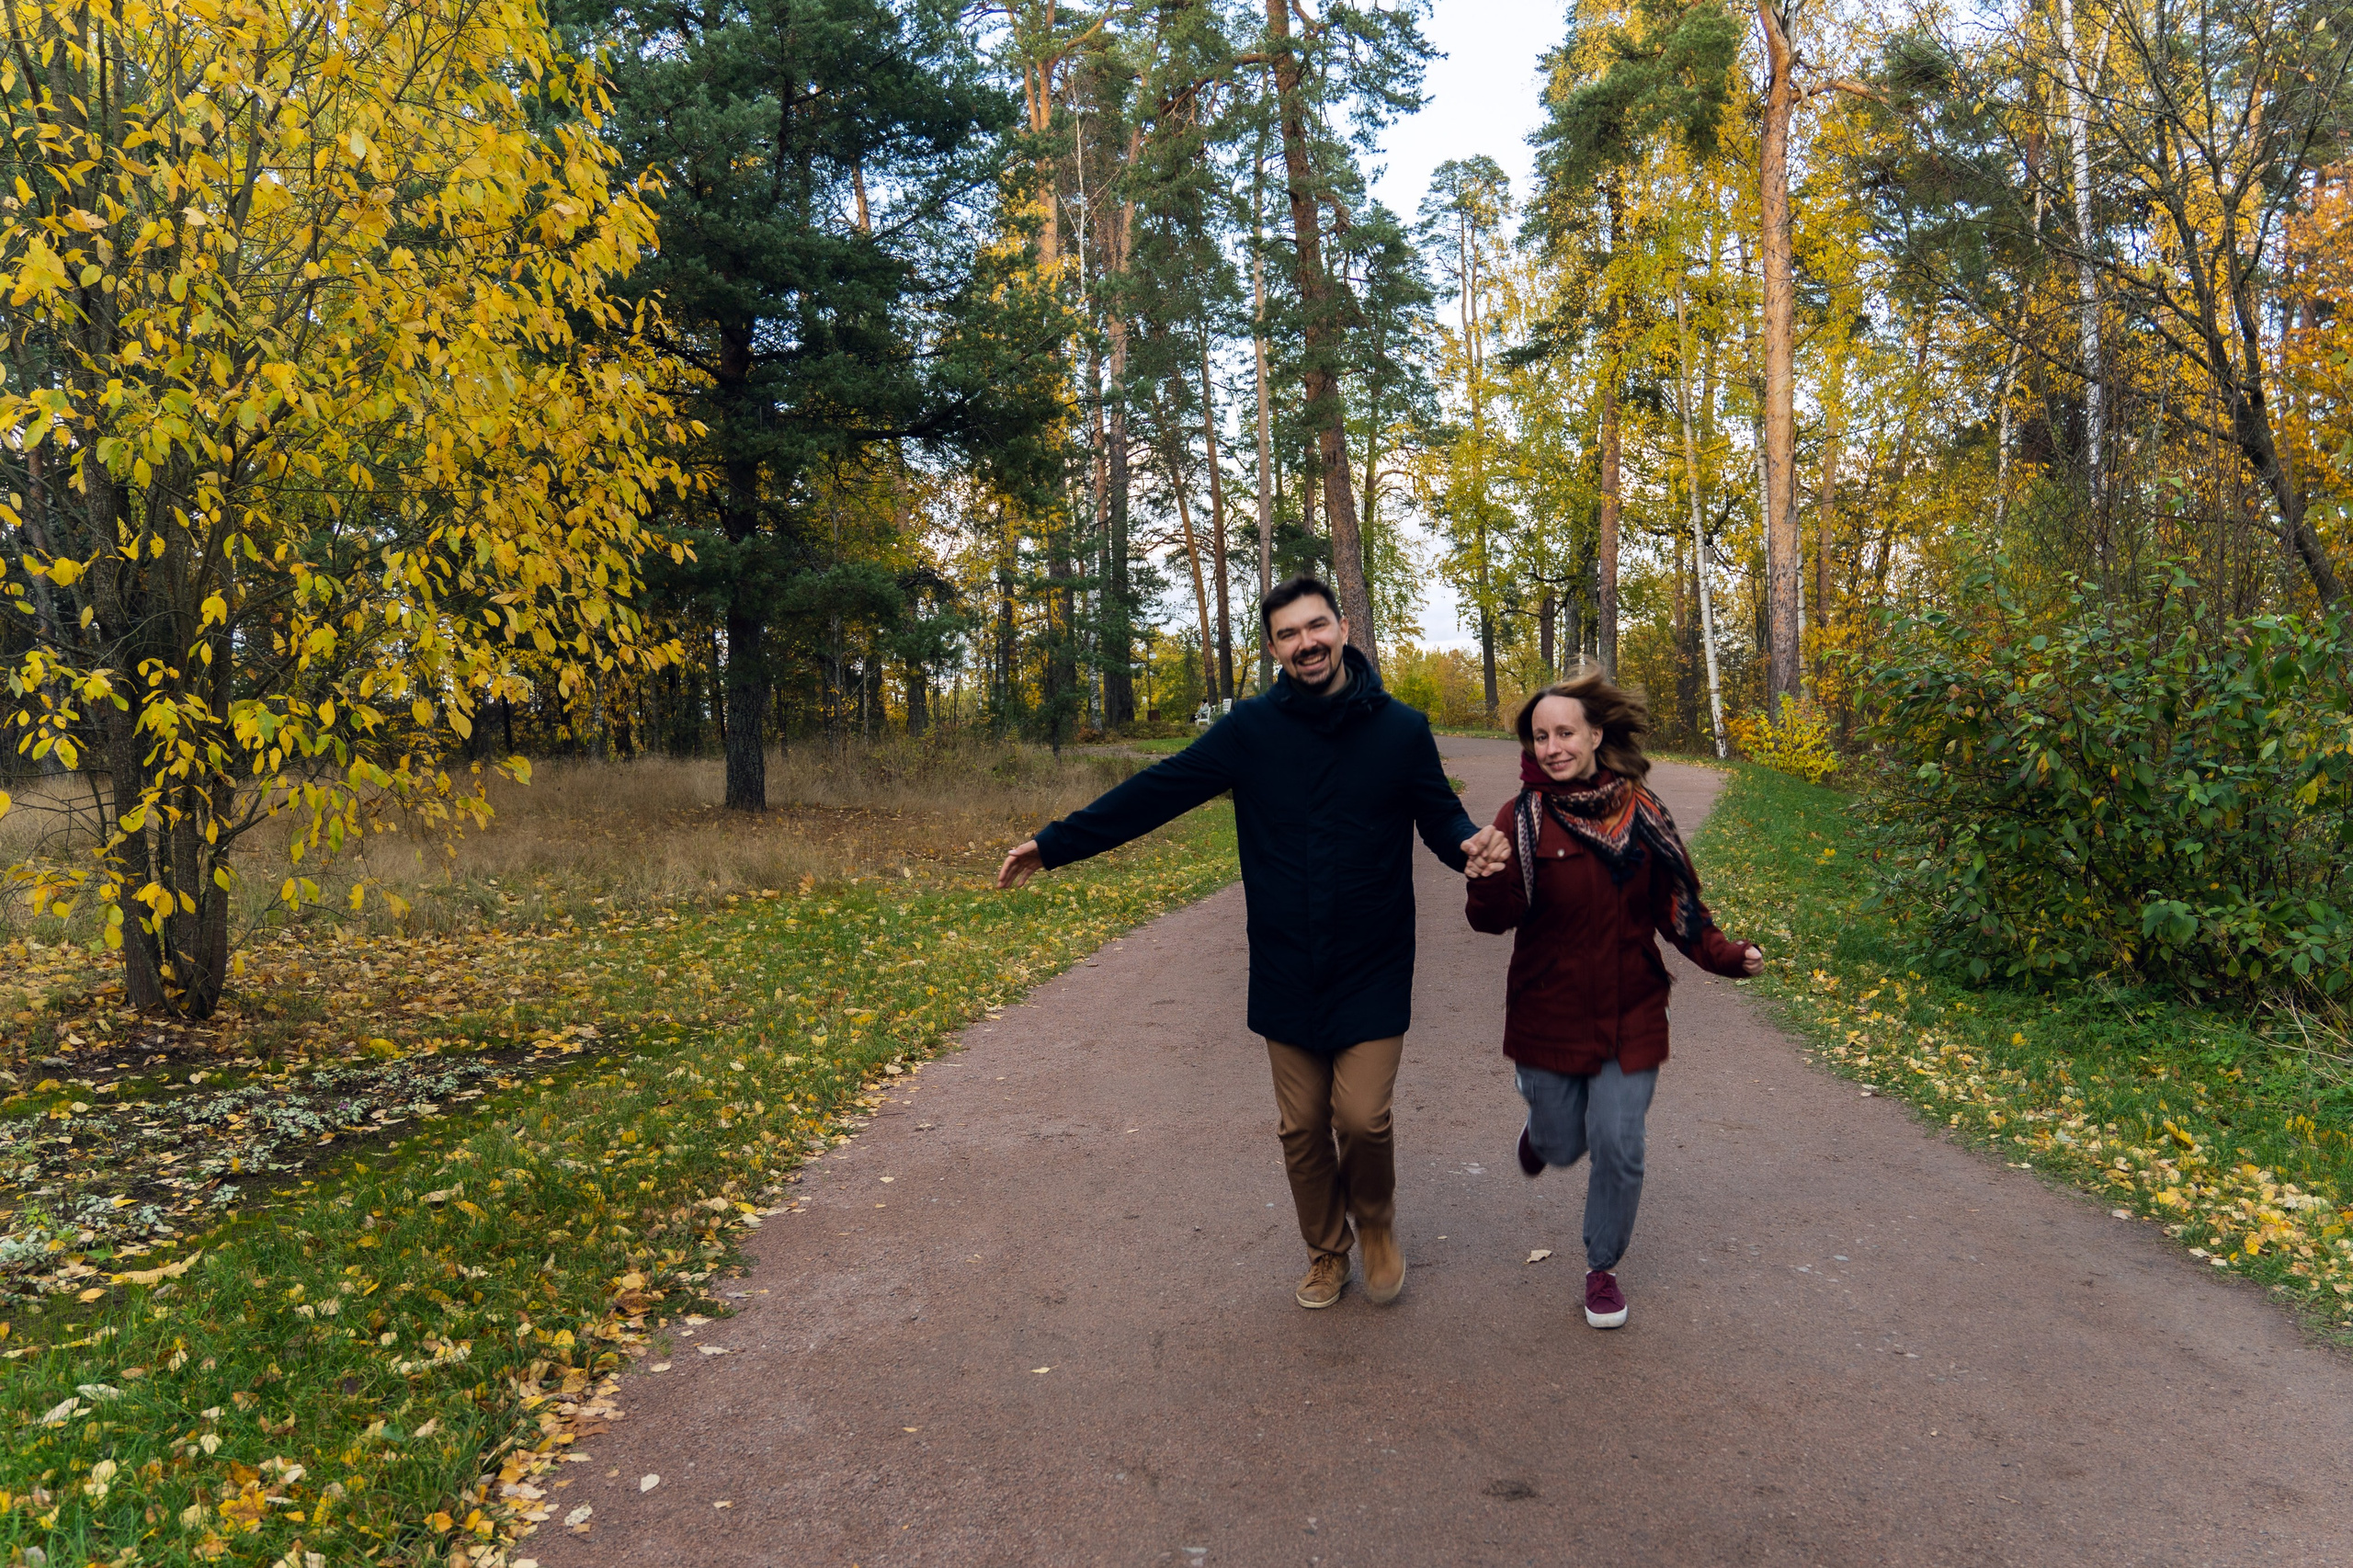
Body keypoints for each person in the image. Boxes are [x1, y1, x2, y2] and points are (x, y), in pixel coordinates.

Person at [1000, 575, 1511, 1310]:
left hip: (1373, 957)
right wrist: (1053, 846)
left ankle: (1375, 1227)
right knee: (1302, 1127)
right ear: (1273, 648)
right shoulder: (1251, 732)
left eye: (1316, 626)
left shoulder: (1401, 729)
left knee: (1362, 1119)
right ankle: (1325, 1251)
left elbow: (1440, 819)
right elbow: (1157, 791)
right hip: (1285, 957)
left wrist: (1470, 848)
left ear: (1341, 629)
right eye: (1288, 634)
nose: (1306, 643)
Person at [1465, 672, 1763, 1330]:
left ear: (1596, 735)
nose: (1552, 746)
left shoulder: (1644, 813)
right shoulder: (1521, 819)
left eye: (1565, 732)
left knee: (1620, 1142)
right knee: (1564, 1143)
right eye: (1540, 736)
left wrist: (1725, 955)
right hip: (1548, 1009)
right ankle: (1542, 1132)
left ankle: (1602, 1266)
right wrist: (1484, 881)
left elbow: (1677, 904)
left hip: (1632, 1009)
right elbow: (1492, 920)